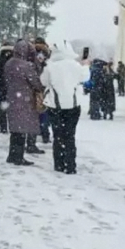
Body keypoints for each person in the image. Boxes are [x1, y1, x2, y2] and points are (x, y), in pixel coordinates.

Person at [43, 43, 88, 175]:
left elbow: (44, 81)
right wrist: (85, 64)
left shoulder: (50, 66)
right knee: (70, 135)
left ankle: (59, 163)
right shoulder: (75, 65)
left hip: (55, 105)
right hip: (73, 104)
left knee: (58, 135)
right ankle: (70, 165)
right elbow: (85, 77)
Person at [4, 40, 45, 166]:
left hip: (12, 98)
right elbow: (36, 83)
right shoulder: (27, 66)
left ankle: (12, 155)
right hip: (25, 100)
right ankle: (18, 157)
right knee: (21, 129)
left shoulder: (9, 63)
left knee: (15, 130)